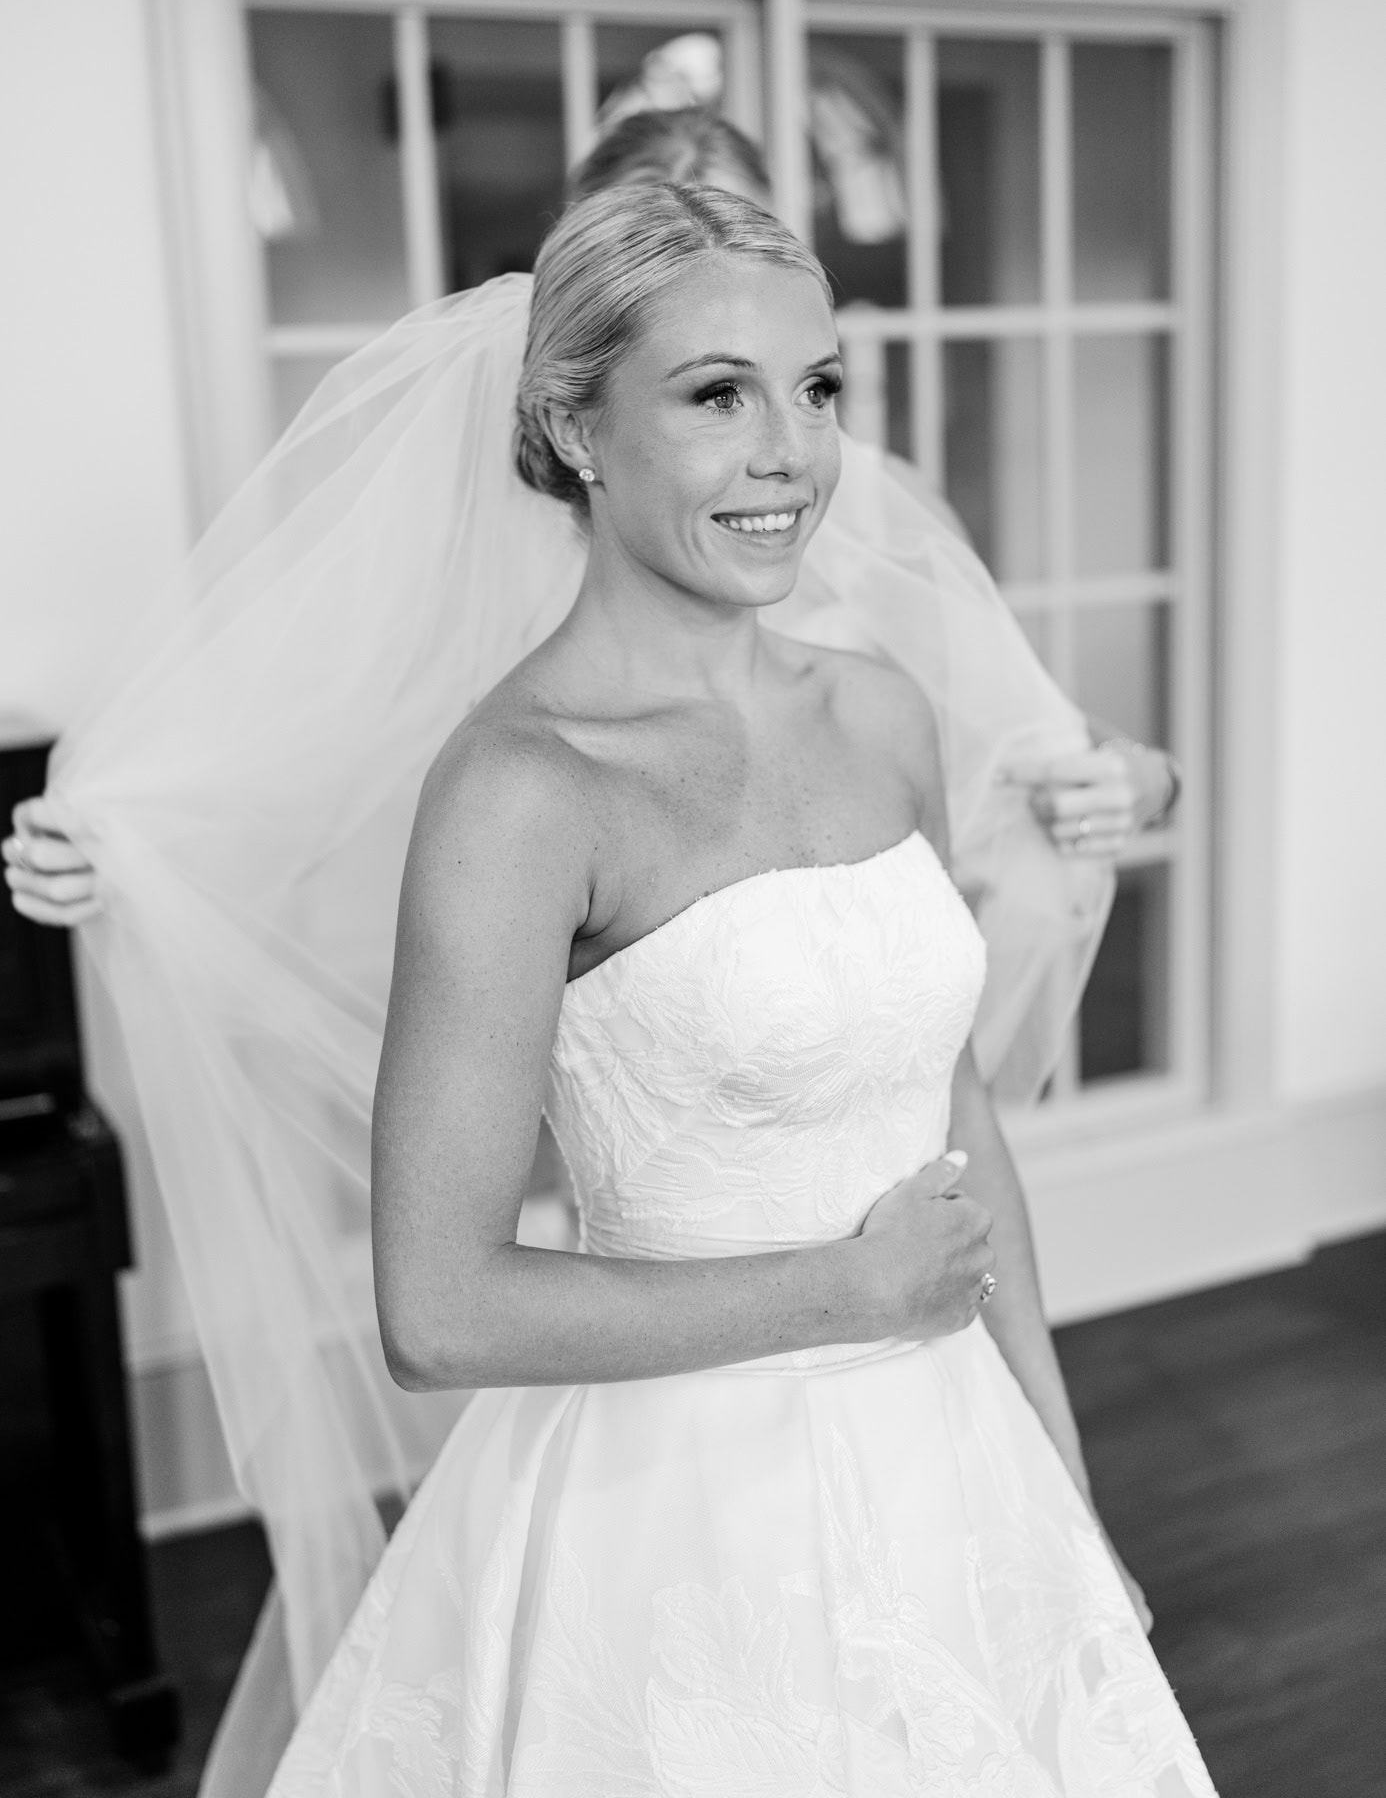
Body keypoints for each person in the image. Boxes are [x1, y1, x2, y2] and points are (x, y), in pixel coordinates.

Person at [261, 181, 1215, 1795]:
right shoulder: (522, 790)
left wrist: (1061, 1479)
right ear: (574, 423)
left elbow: (956, 1113)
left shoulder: (879, 711)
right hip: (675, 1521)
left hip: (948, 1469)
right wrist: (838, 1293)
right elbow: (434, 1306)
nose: (792, 451)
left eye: (818, 387)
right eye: (717, 395)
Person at [5, 110, 1180, 936]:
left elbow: (1038, 735)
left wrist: (1138, 780)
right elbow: (315, 734)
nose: (774, 437)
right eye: (710, 378)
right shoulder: (471, 532)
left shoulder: (864, 496)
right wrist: (126, 844)